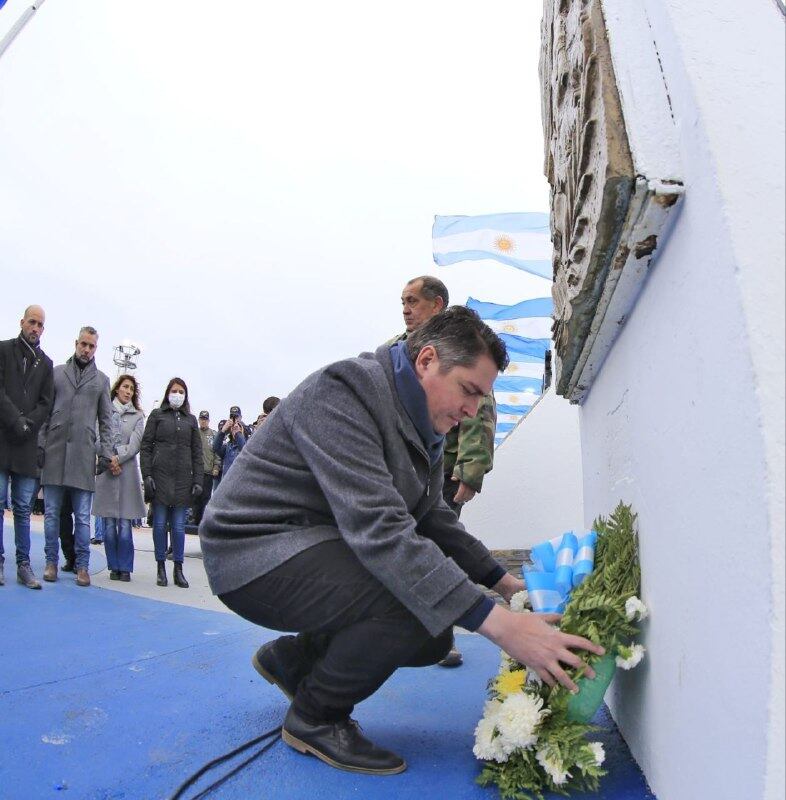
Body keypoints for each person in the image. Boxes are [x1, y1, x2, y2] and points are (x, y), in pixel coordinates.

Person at [200, 307, 603, 776]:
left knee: (434, 635)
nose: (474, 411)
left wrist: (502, 583)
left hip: (311, 545)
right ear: (428, 359)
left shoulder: (423, 423)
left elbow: (430, 514)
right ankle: (315, 716)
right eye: (469, 390)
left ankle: (296, 658)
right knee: (413, 607)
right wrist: (500, 627)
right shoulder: (342, 392)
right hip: (251, 554)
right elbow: (382, 530)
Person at [392, 276, 498, 668]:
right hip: (401, 472)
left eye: (413, 301)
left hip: (444, 474)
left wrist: (470, 469)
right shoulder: (395, 349)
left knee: (439, 552)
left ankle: (442, 636)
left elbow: (480, 410)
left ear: (437, 305)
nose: (405, 308)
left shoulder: (463, 347)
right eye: (402, 301)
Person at [39, 326, 113, 587]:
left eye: (91, 346)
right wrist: (41, 445)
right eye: (83, 344)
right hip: (55, 453)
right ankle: (51, 562)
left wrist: (106, 452)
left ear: (96, 348)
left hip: (83, 456)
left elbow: (107, 421)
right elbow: (44, 413)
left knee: (83, 517)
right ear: (76, 343)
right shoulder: (57, 373)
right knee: (51, 513)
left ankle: (83, 566)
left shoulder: (102, 381)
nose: (86, 349)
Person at [0, 305, 53, 589]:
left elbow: (46, 403)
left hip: (26, 445)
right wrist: (14, 420)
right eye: (32, 322)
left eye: (40, 324)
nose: (35, 328)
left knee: (22, 508)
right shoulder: (3, 350)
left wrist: (27, 424)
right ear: (22, 322)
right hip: (3, 439)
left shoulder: (45, 363)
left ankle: (24, 565)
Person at [140, 378, 202, 589]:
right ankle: (160, 566)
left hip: (183, 479)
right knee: (159, 524)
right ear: (168, 393)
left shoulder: (191, 420)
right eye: (174, 391)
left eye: (181, 391)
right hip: (160, 477)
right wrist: (147, 474)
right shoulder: (157, 415)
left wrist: (198, 480)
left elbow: (197, 452)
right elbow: (146, 446)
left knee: (177, 526)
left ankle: (178, 567)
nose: (177, 394)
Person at [92, 374, 146, 581]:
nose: (128, 391)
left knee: (124, 525)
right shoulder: (104, 412)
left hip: (127, 474)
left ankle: (125, 568)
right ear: (117, 389)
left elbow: (135, 444)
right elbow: (98, 438)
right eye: (125, 387)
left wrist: (118, 457)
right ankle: (113, 566)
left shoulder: (138, 416)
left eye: (131, 388)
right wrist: (108, 457)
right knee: (108, 524)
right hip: (107, 472)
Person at [193, 410, 219, 526]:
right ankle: (194, 521)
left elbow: (217, 452)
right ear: (199, 420)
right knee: (194, 498)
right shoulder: (194, 433)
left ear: (208, 421)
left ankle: (202, 523)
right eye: (201, 419)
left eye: (205, 419)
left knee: (205, 499)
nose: (203, 421)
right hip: (195, 472)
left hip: (208, 472)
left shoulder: (213, 434)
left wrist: (216, 466)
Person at [212, 405, 249, 479]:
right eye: (232, 417)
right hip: (227, 483)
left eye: (237, 417)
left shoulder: (248, 441)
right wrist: (222, 431)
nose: (235, 420)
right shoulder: (228, 446)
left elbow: (244, 450)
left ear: (241, 417)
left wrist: (238, 433)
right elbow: (215, 447)